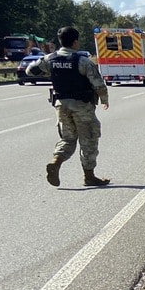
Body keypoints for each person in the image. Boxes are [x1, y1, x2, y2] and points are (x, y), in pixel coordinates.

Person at [27, 26, 111, 188]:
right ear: (75, 42)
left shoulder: (50, 59)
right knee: (89, 139)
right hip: (82, 106)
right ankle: (89, 176)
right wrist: (104, 99)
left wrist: (51, 72)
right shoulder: (82, 61)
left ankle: (56, 162)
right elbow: (98, 83)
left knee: (68, 138)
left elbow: (31, 71)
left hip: (61, 105)